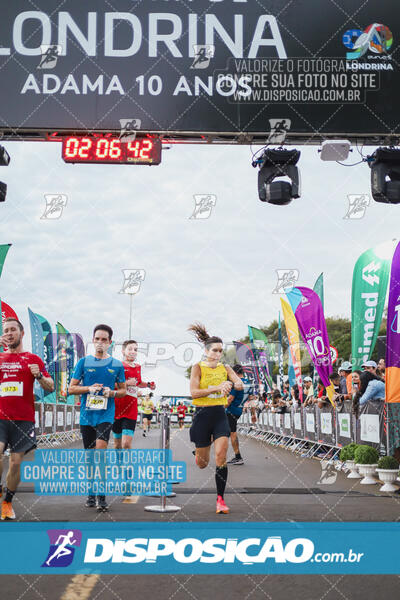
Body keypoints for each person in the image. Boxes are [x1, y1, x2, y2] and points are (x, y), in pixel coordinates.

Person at [0, 318, 54, 521]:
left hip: (23, 419)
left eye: (13, 329)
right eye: (6, 330)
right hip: (0, 416)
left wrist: (39, 375)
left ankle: (7, 502)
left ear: (22, 334)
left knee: (15, 463)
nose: (10, 333)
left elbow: (50, 386)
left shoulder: (32, 359)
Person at [69, 324, 126, 512]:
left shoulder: (117, 365)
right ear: (93, 340)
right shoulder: (84, 362)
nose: (100, 342)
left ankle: (102, 496)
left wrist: (112, 392)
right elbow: (71, 389)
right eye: (97, 339)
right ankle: (91, 493)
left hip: (105, 415)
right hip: (87, 416)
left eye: (104, 340)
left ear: (110, 342)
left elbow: (123, 391)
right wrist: (89, 389)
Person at [188, 323, 243, 514]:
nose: (218, 354)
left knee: (221, 455)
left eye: (221, 350)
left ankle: (220, 500)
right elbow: (194, 393)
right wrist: (216, 387)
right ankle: (199, 451)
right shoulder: (198, 367)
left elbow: (240, 384)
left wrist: (232, 382)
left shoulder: (225, 367)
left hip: (220, 414)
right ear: (206, 351)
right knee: (202, 464)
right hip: (202, 415)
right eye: (215, 350)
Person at [113, 340, 155, 452]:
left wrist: (148, 385)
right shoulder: (117, 365)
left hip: (131, 409)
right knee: (117, 445)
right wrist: (126, 383)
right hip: (116, 408)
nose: (133, 352)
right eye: (130, 349)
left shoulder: (137, 367)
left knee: (126, 444)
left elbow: (138, 382)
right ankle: (119, 466)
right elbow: (111, 384)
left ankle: (128, 468)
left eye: (135, 350)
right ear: (123, 351)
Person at [226, 364, 254, 465]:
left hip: (231, 410)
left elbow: (230, 399)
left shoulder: (236, 383)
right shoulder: (249, 384)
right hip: (239, 411)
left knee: (232, 433)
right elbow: (251, 401)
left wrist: (220, 408)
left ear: (235, 373)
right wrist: (253, 414)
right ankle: (201, 449)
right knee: (223, 430)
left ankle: (238, 457)